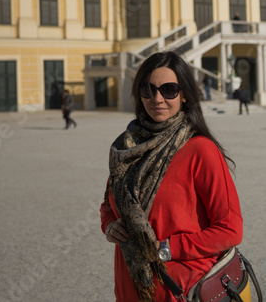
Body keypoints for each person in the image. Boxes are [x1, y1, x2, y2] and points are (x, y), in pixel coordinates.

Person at [100, 51, 242, 301]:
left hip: (180, 290)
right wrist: (109, 224)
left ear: (185, 94)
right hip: (128, 288)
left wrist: (167, 248)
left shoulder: (201, 150)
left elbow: (230, 229)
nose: (157, 98)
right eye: (148, 89)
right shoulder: (127, 148)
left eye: (169, 89)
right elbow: (109, 201)